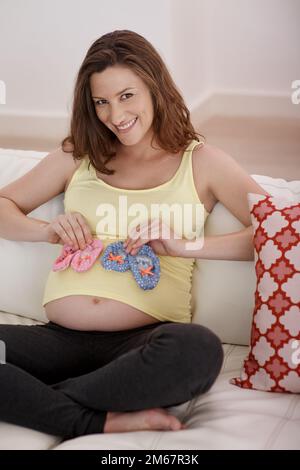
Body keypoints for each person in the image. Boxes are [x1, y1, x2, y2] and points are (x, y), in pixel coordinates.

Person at [0, 30, 269, 440]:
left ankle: (35, 400)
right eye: (101, 102)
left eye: (127, 96)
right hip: (57, 342)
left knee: (198, 350)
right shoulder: (78, 155)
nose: (115, 114)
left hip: (143, 343)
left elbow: (280, 231)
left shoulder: (203, 162)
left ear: (155, 88)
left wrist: (185, 246)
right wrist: (46, 230)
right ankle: (88, 418)